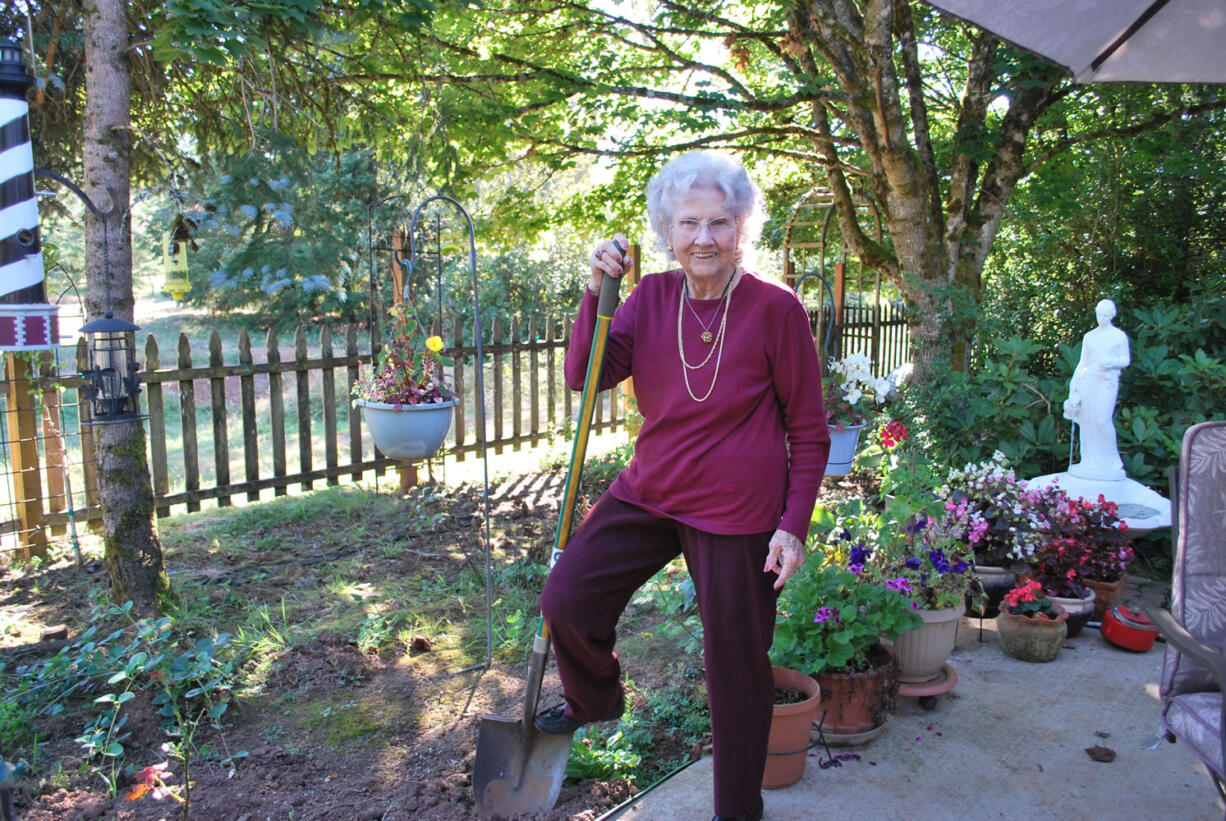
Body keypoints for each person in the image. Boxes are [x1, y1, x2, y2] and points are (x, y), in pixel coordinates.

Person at [536, 151, 830, 821]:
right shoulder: (650, 298)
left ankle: (737, 810)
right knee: (567, 596)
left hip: (738, 510)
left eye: (720, 223)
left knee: (735, 667)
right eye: (690, 223)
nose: (704, 239)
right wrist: (596, 291)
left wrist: (793, 525)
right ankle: (596, 700)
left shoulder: (775, 309)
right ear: (667, 230)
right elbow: (585, 374)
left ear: (742, 228)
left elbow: (810, 429)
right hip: (651, 490)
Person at [1063, 298, 1130, 481]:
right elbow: (1082, 363)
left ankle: (1111, 461)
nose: (1101, 318)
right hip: (1088, 380)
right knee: (1087, 420)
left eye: (1105, 315)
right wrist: (1073, 388)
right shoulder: (1089, 336)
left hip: (1106, 381)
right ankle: (1090, 461)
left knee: (1102, 420)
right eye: (1099, 314)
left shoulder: (1118, 336)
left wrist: (1112, 363)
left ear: (1112, 315)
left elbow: (1125, 360)